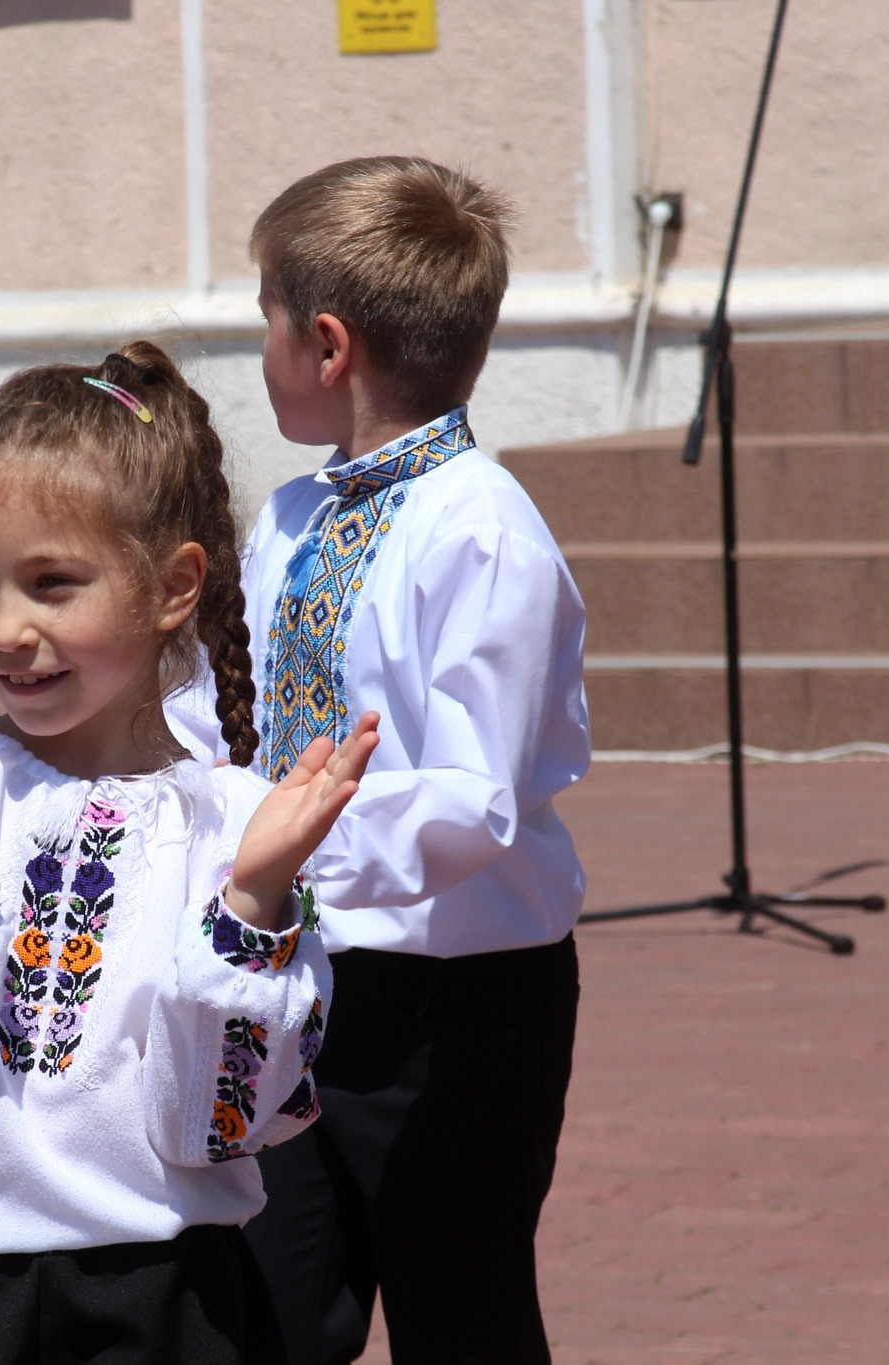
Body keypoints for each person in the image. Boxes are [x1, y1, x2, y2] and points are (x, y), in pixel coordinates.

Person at [0, 343, 379, 1365]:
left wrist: (254, 899)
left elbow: (221, 1123)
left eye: (52, 584)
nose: (6, 629)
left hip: (164, 1302)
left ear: (171, 587)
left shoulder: (234, 818)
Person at [198, 156, 592, 1364]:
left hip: (454, 1009)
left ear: (324, 347)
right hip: (300, 981)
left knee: (459, 1313)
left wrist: (283, 840)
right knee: (271, 1308)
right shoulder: (290, 517)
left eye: (264, 318)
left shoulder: (480, 531)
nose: (257, 346)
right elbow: (251, 720)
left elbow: (472, 802)